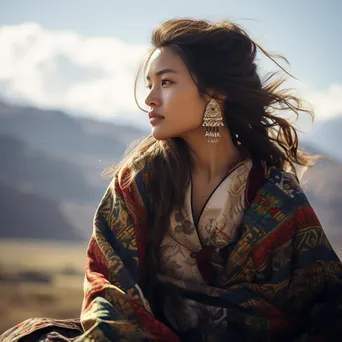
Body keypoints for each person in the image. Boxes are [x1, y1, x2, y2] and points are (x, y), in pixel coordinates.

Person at [2, 18, 342, 342]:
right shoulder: (138, 180)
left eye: (166, 82)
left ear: (215, 92)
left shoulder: (277, 195)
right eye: (149, 83)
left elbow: (328, 299)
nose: (150, 97)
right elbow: (108, 281)